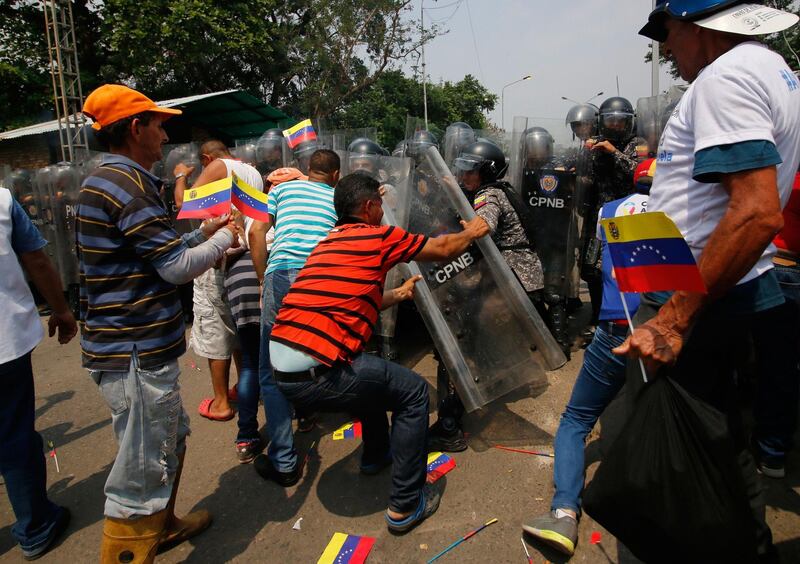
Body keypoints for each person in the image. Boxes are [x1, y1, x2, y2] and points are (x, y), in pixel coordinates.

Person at [621, 3, 800, 560]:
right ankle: (750, 545)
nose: (665, 49)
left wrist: (673, 320)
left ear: (699, 24)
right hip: (724, 287)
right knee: (718, 437)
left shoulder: (726, 77)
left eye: (668, 34)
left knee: (675, 447)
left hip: (699, 299)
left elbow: (756, 213)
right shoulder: (773, 69)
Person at [269, 172, 490, 533]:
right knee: (413, 394)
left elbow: (350, 297)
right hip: (319, 370)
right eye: (380, 204)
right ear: (370, 207)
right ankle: (405, 505)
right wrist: (474, 231)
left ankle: (375, 454)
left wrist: (397, 295)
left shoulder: (327, 244)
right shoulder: (377, 237)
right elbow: (444, 248)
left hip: (284, 369)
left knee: (370, 379)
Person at [78, 84, 238, 562]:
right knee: (141, 473)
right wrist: (225, 236)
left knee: (171, 441)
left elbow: (156, 249)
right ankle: (131, 548)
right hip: (135, 353)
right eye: (158, 125)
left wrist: (202, 231)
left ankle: (163, 525)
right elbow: (174, 268)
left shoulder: (111, 180)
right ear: (134, 128)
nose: (164, 136)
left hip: (131, 348)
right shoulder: (127, 185)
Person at [522, 159, 654, 556]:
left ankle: (564, 515)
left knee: (577, 418)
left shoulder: (609, 210)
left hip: (617, 326)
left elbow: (598, 256)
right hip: (664, 330)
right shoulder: (685, 209)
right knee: (657, 418)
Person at [247, 149, 341, 486]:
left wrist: (263, 279)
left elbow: (256, 233)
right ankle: (311, 414)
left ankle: (284, 462)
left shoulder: (282, 190)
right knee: (316, 354)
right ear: (336, 175)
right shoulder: (337, 197)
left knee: (270, 369)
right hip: (321, 279)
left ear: (307, 169)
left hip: (283, 275)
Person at [174, 140, 265, 463]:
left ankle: (221, 402)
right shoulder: (251, 172)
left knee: (216, 334)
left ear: (208, 158)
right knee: (245, 334)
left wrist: (181, 176)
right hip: (248, 261)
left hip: (220, 257)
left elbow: (184, 203)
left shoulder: (218, 168)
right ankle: (245, 390)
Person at [0, 186, 77, 560]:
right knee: (13, 437)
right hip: (4, 343)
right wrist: (61, 309)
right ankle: (34, 526)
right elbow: (37, 260)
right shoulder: (1, 201)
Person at [580, 96, 645, 337]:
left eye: (620, 121)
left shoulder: (637, 143)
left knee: (623, 270)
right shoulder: (597, 143)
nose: (615, 125)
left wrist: (614, 151)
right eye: (611, 120)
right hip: (599, 215)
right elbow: (588, 177)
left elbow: (639, 173)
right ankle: (598, 317)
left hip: (627, 217)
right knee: (593, 270)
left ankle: (626, 320)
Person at [751, 167, 800, 478]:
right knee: (782, 366)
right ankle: (773, 451)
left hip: (767, 265)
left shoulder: (770, 166)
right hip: (784, 266)